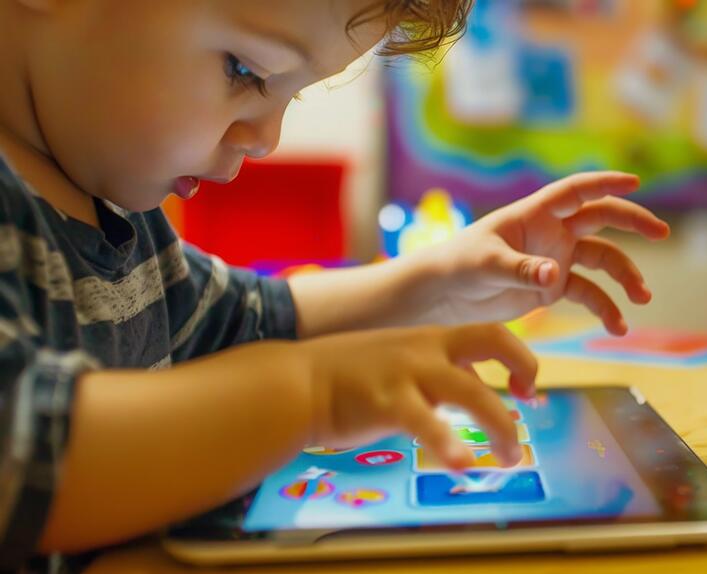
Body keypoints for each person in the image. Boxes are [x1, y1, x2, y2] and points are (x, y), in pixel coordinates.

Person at [0, 0, 670, 569]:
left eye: (292, 92)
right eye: (246, 70)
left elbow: (237, 321)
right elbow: (21, 449)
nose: (267, 139)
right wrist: (314, 392)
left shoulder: (113, 203)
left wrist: (435, 281)